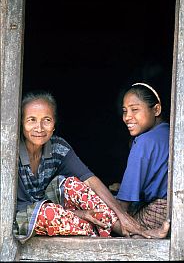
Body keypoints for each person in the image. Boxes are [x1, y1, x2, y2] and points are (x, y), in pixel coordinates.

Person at [13, 90, 170, 244]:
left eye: (46, 120)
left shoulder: (57, 146)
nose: (39, 128)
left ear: (54, 124)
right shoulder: (11, 153)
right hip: (24, 217)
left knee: (73, 184)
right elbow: (22, 208)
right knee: (48, 213)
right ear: (21, 123)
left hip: (60, 213)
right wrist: (81, 214)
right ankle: (112, 232)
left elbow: (90, 180)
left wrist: (122, 215)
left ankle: (133, 231)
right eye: (31, 120)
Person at [116, 82, 170, 235]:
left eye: (135, 109)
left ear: (156, 109)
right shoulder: (169, 133)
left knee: (109, 225)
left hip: (158, 213)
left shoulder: (143, 142)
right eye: (125, 111)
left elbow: (124, 203)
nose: (127, 117)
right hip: (174, 211)